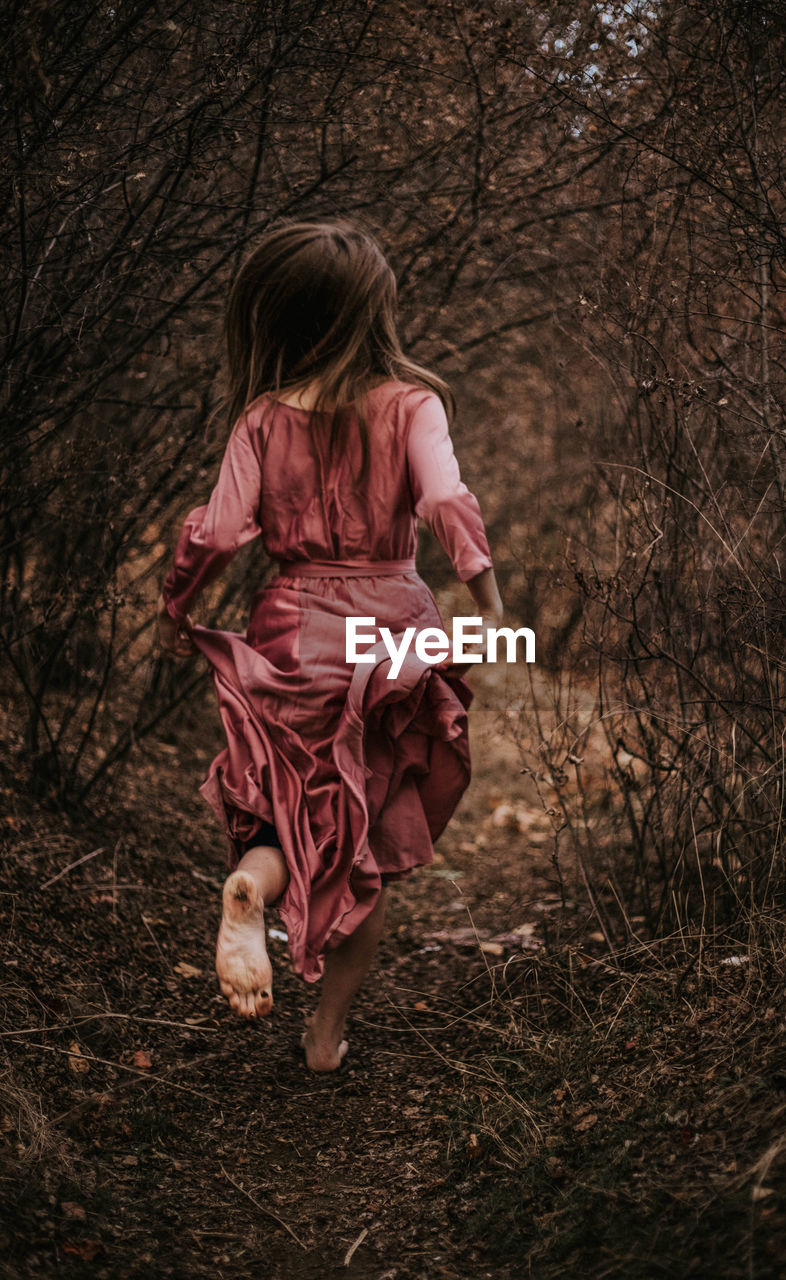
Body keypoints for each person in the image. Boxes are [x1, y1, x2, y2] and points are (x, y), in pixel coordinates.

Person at [157, 220, 502, 1072]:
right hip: (386, 636)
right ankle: (323, 1037)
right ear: (371, 308)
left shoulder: (262, 419)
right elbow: (447, 502)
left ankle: (255, 890)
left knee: (293, 810)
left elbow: (222, 530)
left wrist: (178, 606)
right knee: (365, 844)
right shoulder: (412, 404)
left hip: (289, 635)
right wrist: (487, 604)